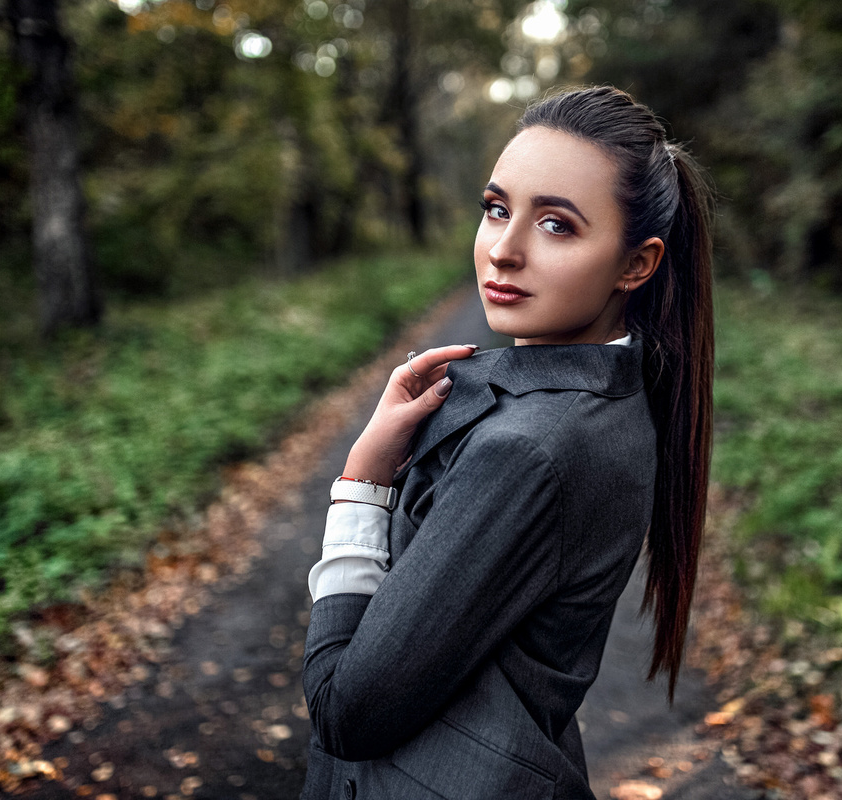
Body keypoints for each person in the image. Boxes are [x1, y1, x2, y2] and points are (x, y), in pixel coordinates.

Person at [300, 85, 714, 799]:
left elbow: (346, 713)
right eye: (497, 209)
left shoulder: (528, 451)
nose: (504, 249)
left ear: (635, 264)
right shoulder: (619, 396)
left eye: (556, 225)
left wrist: (362, 481)